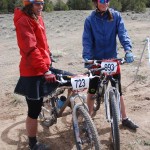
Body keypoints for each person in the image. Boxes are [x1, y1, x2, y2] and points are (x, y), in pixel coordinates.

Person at [14, 0, 73, 149]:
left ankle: (61, 102)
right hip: (31, 71)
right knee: (34, 110)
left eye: (42, 3)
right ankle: (33, 143)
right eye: (37, 3)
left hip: (43, 65)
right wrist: (44, 69)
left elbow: (42, 43)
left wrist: (48, 54)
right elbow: (30, 49)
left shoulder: (38, 17)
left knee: (73, 79)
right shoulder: (23, 21)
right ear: (28, 5)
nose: (41, 6)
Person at [82, 0, 139, 130]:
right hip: (96, 61)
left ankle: (124, 118)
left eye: (107, 0)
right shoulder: (90, 20)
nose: (105, 3)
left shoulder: (116, 16)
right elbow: (87, 40)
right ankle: (88, 120)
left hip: (112, 60)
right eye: (102, 0)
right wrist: (88, 57)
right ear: (95, 2)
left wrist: (128, 50)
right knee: (92, 90)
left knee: (118, 90)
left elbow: (123, 33)